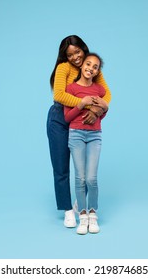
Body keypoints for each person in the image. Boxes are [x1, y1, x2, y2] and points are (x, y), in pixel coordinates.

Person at [46, 35, 111, 228]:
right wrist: (86, 105)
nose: (75, 57)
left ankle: (81, 204)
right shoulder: (63, 67)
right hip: (59, 117)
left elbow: (106, 94)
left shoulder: (91, 66)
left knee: (84, 170)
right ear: (65, 56)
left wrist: (98, 109)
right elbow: (59, 95)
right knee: (61, 166)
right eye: (70, 54)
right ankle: (67, 209)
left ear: (83, 49)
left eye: (77, 51)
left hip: (82, 121)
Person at [64, 53, 107, 234]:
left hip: (95, 135)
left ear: (97, 72)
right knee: (80, 178)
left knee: (91, 178)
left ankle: (92, 213)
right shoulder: (71, 88)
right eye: (88, 64)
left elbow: (102, 114)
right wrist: (81, 104)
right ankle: (82, 215)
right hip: (76, 135)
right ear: (82, 66)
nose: (90, 68)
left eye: (95, 66)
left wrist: (103, 108)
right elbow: (67, 117)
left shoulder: (100, 90)